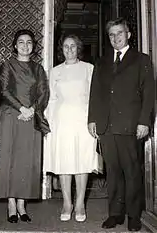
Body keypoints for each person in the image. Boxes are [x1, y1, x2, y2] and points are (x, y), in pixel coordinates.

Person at [88, 18, 155, 232]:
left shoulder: (141, 59)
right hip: (106, 126)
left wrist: (144, 121)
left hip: (130, 125)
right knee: (113, 172)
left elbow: (149, 93)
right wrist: (92, 118)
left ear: (128, 34)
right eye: (111, 35)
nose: (115, 38)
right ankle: (115, 214)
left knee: (132, 171)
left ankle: (134, 215)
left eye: (120, 33)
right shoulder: (102, 61)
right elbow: (95, 92)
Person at [0, 29, 49, 223]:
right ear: (15, 45)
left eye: (29, 42)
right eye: (21, 42)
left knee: (27, 160)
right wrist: (21, 109)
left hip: (31, 117)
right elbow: (4, 90)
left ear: (33, 46)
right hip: (11, 115)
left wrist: (32, 109)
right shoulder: (8, 65)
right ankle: (11, 203)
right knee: (11, 158)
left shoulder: (38, 69)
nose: (25, 45)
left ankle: (22, 204)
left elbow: (43, 93)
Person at [44, 35, 100, 222]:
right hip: (60, 122)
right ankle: (67, 203)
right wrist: (48, 123)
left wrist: (94, 120)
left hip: (83, 121)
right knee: (64, 162)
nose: (69, 50)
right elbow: (51, 99)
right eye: (66, 47)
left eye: (73, 46)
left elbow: (94, 98)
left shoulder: (89, 69)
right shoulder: (55, 71)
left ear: (78, 49)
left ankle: (80, 203)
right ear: (62, 49)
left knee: (82, 161)